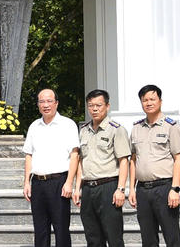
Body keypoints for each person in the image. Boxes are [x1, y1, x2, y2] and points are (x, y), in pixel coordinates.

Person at [127, 84, 180, 247]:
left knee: (171, 236)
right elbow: (133, 159)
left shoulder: (171, 126)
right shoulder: (136, 128)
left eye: (152, 99)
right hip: (142, 189)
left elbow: (179, 158)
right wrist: (131, 188)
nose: (149, 103)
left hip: (164, 188)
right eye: (145, 100)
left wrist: (175, 189)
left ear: (160, 101)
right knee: (148, 238)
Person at [73, 89, 130, 247]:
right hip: (88, 188)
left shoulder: (116, 129)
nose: (94, 109)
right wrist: (77, 188)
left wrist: (121, 189)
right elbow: (80, 161)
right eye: (91, 105)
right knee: (92, 238)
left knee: (114, 237)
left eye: (98, 105)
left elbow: (124, 161)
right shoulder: (84, 130)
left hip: (108, 187)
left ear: (107, 106)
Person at [22, 89, 79, 247]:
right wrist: (26, 182)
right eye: (42, 101)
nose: (45, 105)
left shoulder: (68, 125)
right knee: (40, 229)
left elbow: (75, 155)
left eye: (49, 101)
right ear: (38, 104)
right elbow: (29, 155)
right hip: (37, 183)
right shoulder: (34, 126)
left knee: (61, 229)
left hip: (59, 182)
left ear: (56, 103)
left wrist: (69, 182)